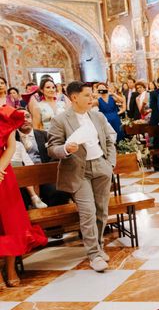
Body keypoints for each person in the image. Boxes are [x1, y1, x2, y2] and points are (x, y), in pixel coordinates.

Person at [47, 81, 115, 272]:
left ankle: (99, 246)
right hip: (78, 171)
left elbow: (109, 140)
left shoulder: (97, 116)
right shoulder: (60, 120)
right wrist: (66, 149)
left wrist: (109, 163)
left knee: (102, 210)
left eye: (92, 95)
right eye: (87, 95)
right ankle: (93, 254)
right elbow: (52, 149)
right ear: (74, 97)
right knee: (88, 212)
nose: (92, 99)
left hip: (101, 166)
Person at [0, 106, 48, 288]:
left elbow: (11, 146)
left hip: (3, 174)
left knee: (10, 223)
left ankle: (11, 268)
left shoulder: (6, 114)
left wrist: (0, 169)